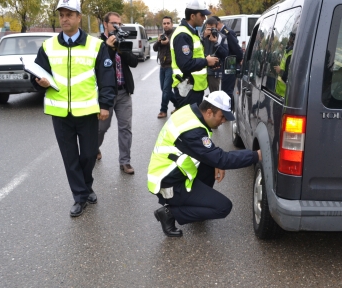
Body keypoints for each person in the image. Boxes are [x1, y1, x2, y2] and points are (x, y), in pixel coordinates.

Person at [30, 0, 116, 217]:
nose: (65, 19)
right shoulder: (48, 46)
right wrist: (38, 82)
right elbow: (36, 73)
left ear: (79, 17)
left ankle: (86, 187)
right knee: (70, 158)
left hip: (87, 111)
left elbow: (107, 78)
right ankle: (80, 196)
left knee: (88, 155)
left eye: (70, 14)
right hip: (59, 113)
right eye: (62, 15)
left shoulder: (96, 45)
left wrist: (105, 105)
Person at [147, 91, 262, 237]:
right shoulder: (193, 132)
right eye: (222, 117)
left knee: (211, 163)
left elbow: (207, 152)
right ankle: (170, 213)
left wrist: (214, 161)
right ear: (209, 112)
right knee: (223, 207)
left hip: (171, 171)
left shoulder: (190, 112)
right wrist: (255, 155)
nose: (224, 121)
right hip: (169, 183)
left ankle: (196, 205)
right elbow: (222, 159)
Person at [97, 11, 139, 175]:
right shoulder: (99, 44)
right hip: (106, 96)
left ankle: (125, 162)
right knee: (101, 128)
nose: (117, 27)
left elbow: (134, 62)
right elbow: (102, 65)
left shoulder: (122, 40)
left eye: (119, 24)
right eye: (114, 24)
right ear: (106, 25)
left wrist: (121, 49)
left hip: (123, 92)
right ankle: (94, 148)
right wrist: (110, 47)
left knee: (125, 128)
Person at [170, 0, 219, 109]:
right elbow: (185, 64)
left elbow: (194, 57)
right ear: (192, 16)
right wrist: (206, 61)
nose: (204, 18)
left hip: (194, 87)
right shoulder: (183, 35)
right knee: (189, 123)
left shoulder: (191, 32)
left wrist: (209, 62)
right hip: (188, 87)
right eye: (202, 15)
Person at [214, 16, 244, 105]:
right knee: (225, 87)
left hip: (231, 62)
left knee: (227, 89)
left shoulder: (227, 32)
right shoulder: (222, 32)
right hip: (227, 62)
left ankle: (229, 109)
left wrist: (239, 59)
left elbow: (236, 48)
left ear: (218, 23)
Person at [153, 16, 177, 118]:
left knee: (166, 89)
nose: (166, 25)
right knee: (163, 89)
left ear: (171, 24)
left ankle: (163, 110)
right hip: (162, 66)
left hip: (171, 66)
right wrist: (159, 41)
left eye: (168, 23)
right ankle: (179, 104)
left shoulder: (175, 35)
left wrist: (168, 43)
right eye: (164, 23)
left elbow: (177, 48)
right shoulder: (162, 35)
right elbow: (154, 48)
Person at [201, 17, 228, 93]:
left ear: (217, 27)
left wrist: (216, 43)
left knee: (214, 94)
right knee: (197, 94)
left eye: (212, 28)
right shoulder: (202, 36)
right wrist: (203, 37)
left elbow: (225, 54)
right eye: (208, 28)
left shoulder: (222, 37)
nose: (210, 31)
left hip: (214, 71)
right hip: (201, 68)